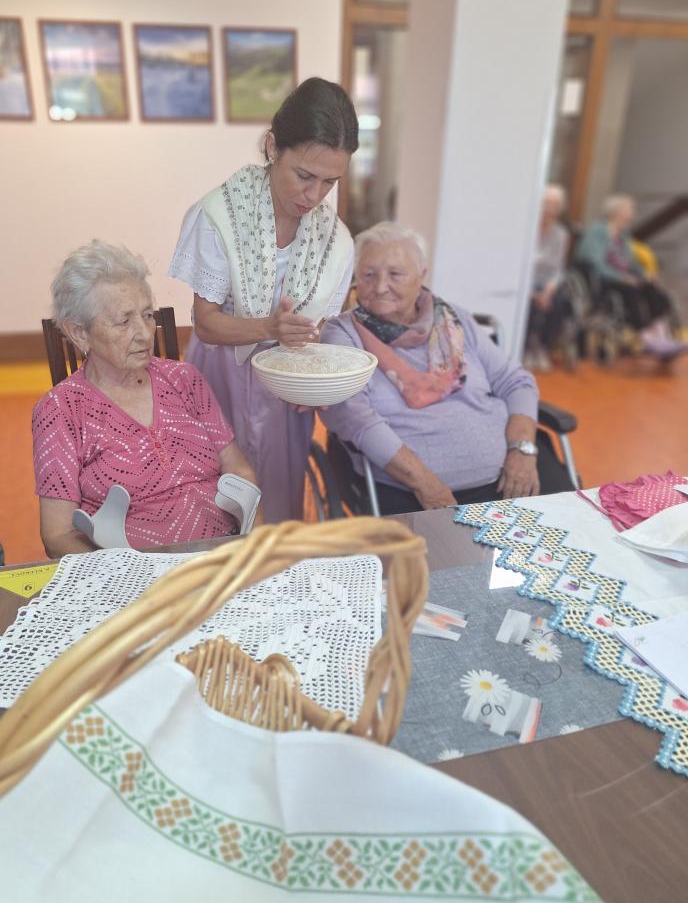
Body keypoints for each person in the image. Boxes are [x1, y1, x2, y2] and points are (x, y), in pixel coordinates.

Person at [168, 77, 359, 522]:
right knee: (215, 497)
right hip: (221, 373)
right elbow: (206, 324)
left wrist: (316, 380)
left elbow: (321, 330)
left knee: (277, 501)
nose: (314, 195)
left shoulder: (335, 240)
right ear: (273, 147)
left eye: (330, 182)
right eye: (304, 176)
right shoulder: (220, 216)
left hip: (284, 388)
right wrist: (270, 328)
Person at [320, 222, 573, 516]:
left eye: (395, 274)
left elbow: (515, 381)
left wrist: (522, 449)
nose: (380, 286)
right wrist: (424, 482)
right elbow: (351, 414)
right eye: (368, 274)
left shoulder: (453, 320)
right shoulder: (344, 334)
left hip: (512, 472)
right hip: (416, 490)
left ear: (421, 275)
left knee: (574, 527)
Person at [33, 241, 260, 558]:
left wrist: (252, 539)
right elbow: (57, 536)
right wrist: (125, 573)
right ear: (79, 333)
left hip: (221, 555)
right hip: (135, 572)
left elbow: (239, 469)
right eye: (124, 321)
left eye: (147, 315)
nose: (144, 333)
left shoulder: (185, 379)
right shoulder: (60, 410)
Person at [574, 194, 684, 358]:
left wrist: (645, 274)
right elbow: (595, 264)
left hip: (625, 278)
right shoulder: (597, 232)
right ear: (616, 212)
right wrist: (622, 278)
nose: (633, 213)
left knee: (652, 289)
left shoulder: (623, 235)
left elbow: (631, 264)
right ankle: (647, 337)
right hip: (604, 279)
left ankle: (661, 335)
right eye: (629, 209)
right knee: (631, 290)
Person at [524, 185, 572, 371]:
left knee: (559, 303)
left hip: (546, 284)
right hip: (526, 282)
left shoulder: (561, 234)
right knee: (528, 305)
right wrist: (532, 293)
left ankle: (542, 347)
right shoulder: (528, 229)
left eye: (555, 205)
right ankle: (526, 348)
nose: (550, 209)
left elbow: (558, 269)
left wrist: (548, 291)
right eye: (547, 203)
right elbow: (521, 266)